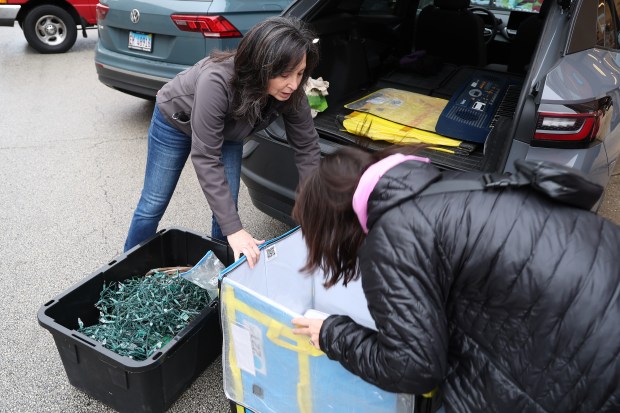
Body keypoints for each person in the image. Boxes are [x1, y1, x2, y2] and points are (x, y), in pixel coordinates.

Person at [291, 145, 620, 412]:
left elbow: (412, 366)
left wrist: (332, 335)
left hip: (598, 359)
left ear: (332, 223)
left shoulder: (394, 234)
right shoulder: (448, 186)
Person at [124, 16, 321, 267]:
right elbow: (206, 157)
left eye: (301, 73)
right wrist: (235, 230)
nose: (294, 84)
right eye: (284, 74)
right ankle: (126, 272)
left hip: (229, 131)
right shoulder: (217, 80)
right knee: (153, 203)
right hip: (175, 121)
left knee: (227, 213)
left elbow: (307, 147)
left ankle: (222, 274)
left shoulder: (291, 91)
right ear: (262, 65)